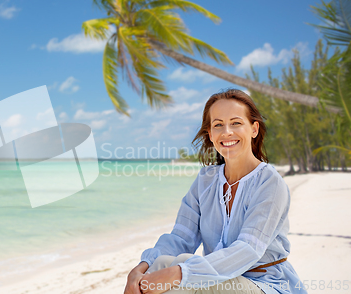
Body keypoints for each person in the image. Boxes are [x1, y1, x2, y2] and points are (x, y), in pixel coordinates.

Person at [124, 89, 307, 294]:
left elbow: (247, 250)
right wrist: (142, 268)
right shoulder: (205, 180)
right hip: (215, 280)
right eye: (218, 125)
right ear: (210, 134)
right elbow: (181, 238)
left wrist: (179, 273)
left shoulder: (269, 182)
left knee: (183, 271)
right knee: (163, 263)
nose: (227, 132)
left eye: (236, 123)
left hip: (266, 284)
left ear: (254, 129)